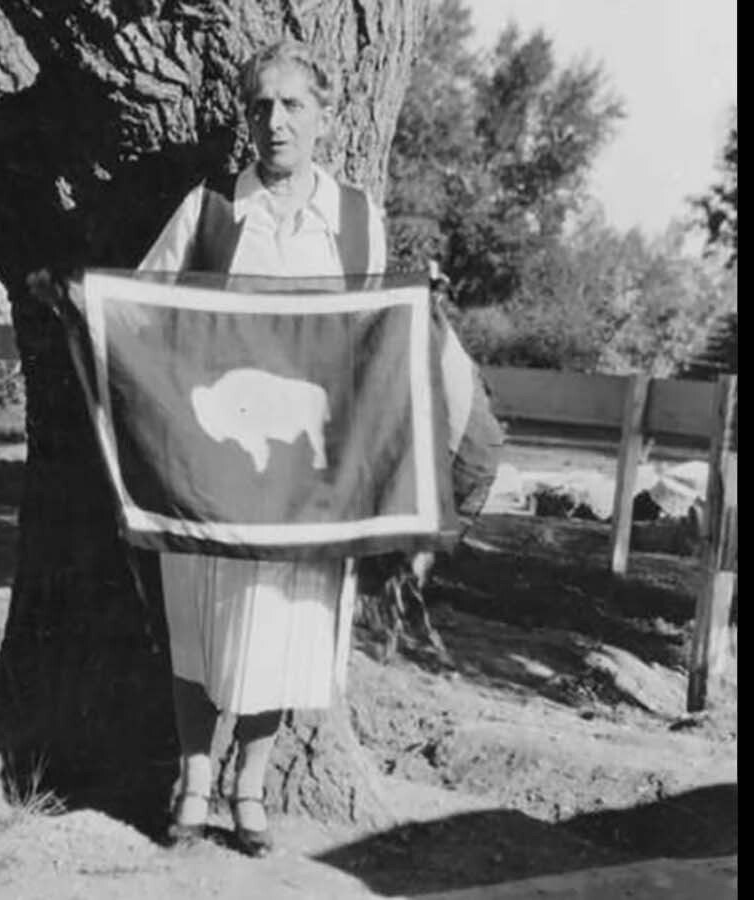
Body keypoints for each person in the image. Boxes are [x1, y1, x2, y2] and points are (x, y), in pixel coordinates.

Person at [136, 39, 494, 857]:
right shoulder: (212, 208)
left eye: (294, 105)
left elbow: (371, 341)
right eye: (261, 105)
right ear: (245, 116)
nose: (275, 122)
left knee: (284, 631)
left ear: (326, 118)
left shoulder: (357, 219)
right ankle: (193, 780)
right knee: (203, 617)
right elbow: (143, 308)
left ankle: (250, 785)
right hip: (214, 464)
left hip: (309, 473)